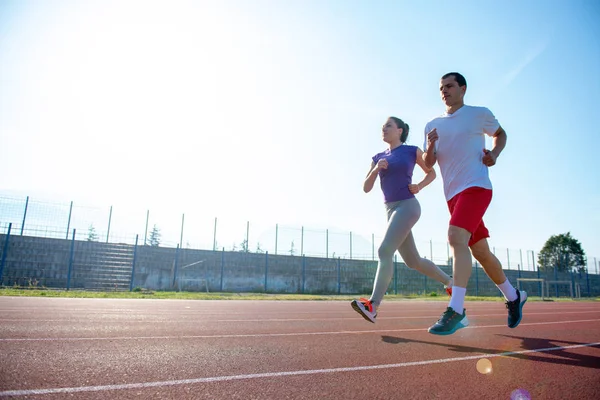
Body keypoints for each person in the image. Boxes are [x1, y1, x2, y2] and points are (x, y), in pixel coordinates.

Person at [423, 72, 527, 335]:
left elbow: (500, 134)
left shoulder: (478, 114)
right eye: (441, 88)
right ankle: (514, 296)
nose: (444, 91)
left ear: (463, 89)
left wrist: (494, 153)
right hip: (452, 196)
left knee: (455, 236)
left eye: (449, 86)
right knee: (480, 252)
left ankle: (456, 309)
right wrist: (430, 145)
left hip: (477, 187)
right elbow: (428, 163)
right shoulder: (432, 125)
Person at [351, 116, 453, 323]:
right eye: (383, 126)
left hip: (407, 205)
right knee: (413, 261)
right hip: (390, 210)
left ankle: (373, 305)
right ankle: (450, 282)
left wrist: (419, 186)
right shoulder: (378, 157)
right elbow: (366, 187)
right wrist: (375, 169)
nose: (384, 128)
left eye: (388, 125)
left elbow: (431, 173)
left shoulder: (411, 150)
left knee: (384, 250)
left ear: (399, 131)